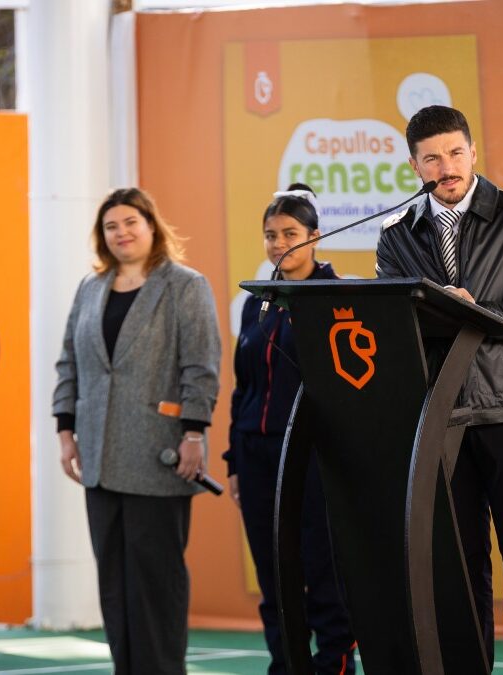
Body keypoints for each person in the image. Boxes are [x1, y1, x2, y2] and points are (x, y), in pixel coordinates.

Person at [375, 105, 503, 674]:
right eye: (432, 157)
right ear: (415, 165)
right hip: (443, 417)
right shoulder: (397, 235)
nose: (446, 166)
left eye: (456, 152)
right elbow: (394, 324)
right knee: (462, 565)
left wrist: (476, 313)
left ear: (474, 152)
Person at [53, 187, 221, 674]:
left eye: (131, 222)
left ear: (152, 227)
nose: (121, 233)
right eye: (111, 226)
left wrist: (194, 433)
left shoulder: (185, 285)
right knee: (114, 581)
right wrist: (66, 431)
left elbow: (201, 366)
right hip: (98, 458)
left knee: (156, 580)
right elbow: (70, 362)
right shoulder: (90, 288)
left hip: (161, 453)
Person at [225, 184, 356, 675]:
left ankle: (334, 665)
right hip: (256, 456)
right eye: (270, 235)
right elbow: (244, 385)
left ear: (316, 236)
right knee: (274, 575)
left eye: (290, 234)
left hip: (313, 459)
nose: (279, 244)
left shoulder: (338, 297)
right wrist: (234, 461)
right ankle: (286, 665)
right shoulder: (255, 301)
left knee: (323, 572)